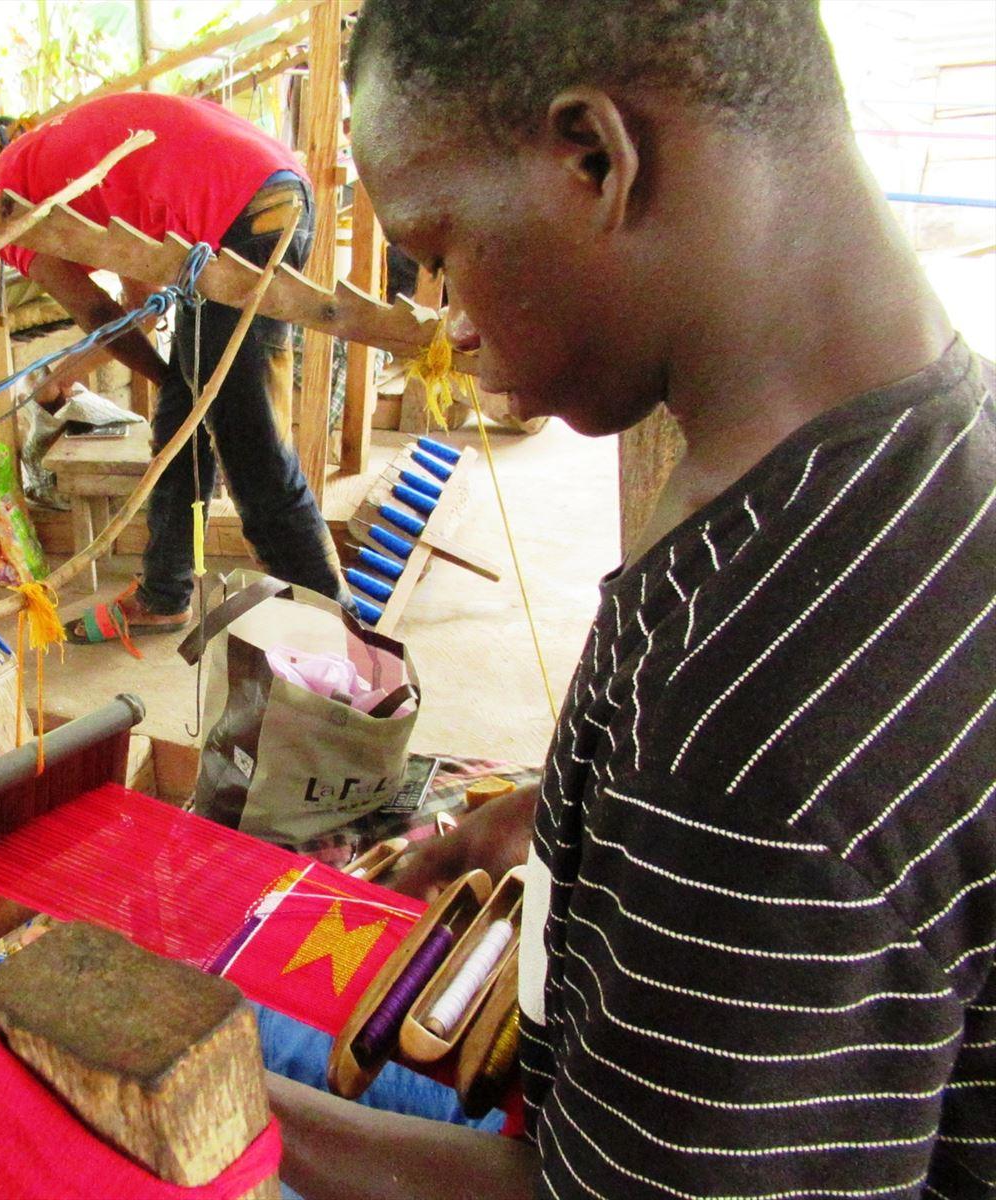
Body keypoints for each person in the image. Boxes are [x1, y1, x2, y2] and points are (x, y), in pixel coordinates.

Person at [264, 2, 996, 1197]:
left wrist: (227, 1102)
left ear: (593, 161)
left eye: (438, 249)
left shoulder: (754, 715)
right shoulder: (920, 443)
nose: (447, 314)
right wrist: (538, 826)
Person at [0, 93, 349, 642]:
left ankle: (331, 628)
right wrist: (136, 377)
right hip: (269, 195)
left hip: (241, 218)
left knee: (253, 448)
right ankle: (164, 594)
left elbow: (96, 312)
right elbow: (139, 309)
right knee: (181, 423)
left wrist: (156, 376)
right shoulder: (63, 164)